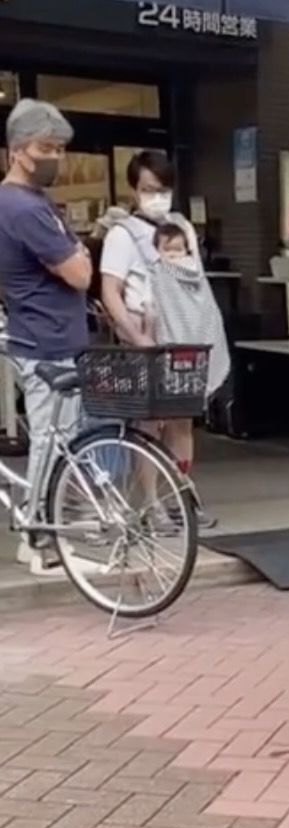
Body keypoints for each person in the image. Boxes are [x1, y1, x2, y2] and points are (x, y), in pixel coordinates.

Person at [99, 151, 223, 528]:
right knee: (149, 425)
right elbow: (110, 291)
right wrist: (135, 337)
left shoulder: (181, 228)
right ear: (134, 190)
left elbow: (194, 281)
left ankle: (181, 497)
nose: (157, 197)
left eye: (163, 189)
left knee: (182, 421)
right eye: (149, 189)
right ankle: (151, 504)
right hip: (147, 340)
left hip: (184, 339)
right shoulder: (122, 236)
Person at [0, 99, 92, 573]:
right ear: (19, 150)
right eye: (46, 147)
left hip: (49, 336)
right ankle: (39, 539)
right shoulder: (21, 207)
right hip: (46, 341)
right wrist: (80, 252)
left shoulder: (32, 202)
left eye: (60, 147)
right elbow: (78, 273)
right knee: (53, 441)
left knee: (59, 439)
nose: (55, 156)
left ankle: (47, 534)